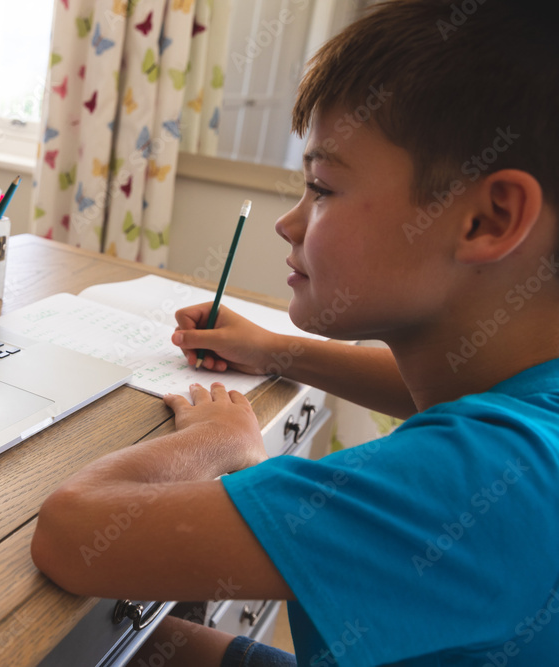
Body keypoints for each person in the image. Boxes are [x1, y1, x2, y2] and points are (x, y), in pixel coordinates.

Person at [31, 1, 559, 665]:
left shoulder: (486, 478)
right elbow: (420, 387)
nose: (290, 223)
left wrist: (221, 445)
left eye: (322, 186)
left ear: (489, 219)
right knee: (131, 644)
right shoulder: (529, 400)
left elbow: (70, 530)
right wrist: (270, 347)